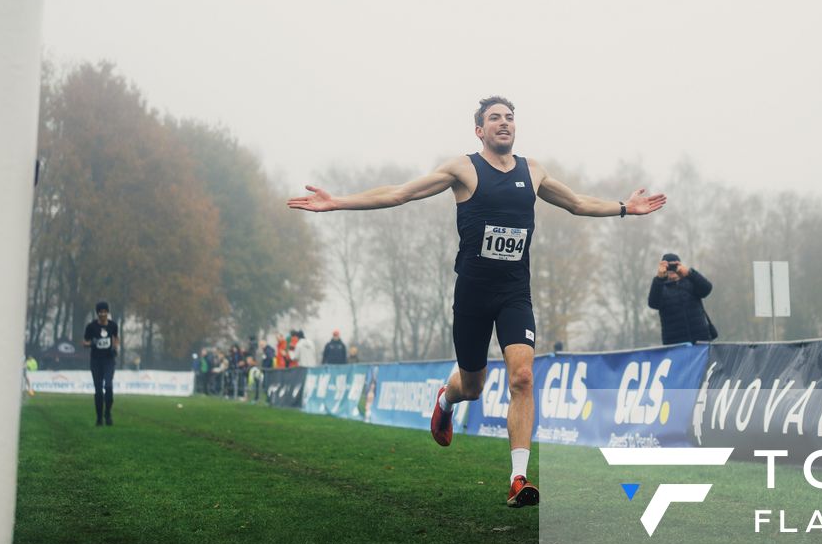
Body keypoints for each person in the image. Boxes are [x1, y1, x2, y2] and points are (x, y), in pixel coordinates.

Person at [290, 95, 665, 507]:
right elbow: (399, 194)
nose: (504, 123)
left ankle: (518, 479)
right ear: (479, 130)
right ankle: (445, 400)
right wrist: (337, 201)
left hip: (514, 294)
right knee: (472, 386)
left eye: (509, 118)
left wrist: (626, 208)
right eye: (495, 118)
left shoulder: (532, 171)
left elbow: (577, 203)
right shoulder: (463, 169)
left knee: (522, 377)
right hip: (471, 294)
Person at [648, 252, 717, 345]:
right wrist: (659, 279)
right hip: (675, 345)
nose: (672, 270)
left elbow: (707, 289)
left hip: (701, 341)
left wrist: (689, 273)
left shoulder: (691, 282)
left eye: (674, 266)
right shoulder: (660, 287)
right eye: (669, 267)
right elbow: (653, 303)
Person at [82, 301, 119, 427]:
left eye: (105, 311)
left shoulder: (113, 326)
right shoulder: (91, 327)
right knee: (98, 390)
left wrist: (115, 347)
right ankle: (99, 418)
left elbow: (115, 338)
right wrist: (91, 343)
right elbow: (84, 342)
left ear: (107, 313)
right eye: (100, 312)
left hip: (109, 360)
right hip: (96, 361)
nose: (103, 314)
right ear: (97, 313)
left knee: (108, 387)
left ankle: (107, 413)